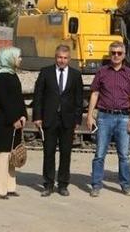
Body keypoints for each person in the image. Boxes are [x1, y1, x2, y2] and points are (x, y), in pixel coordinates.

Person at [86, 41, 130, 197]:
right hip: (104, 117)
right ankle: (96, 185)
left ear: (124, 55)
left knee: (124, 155)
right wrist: (90, 115)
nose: (116, 55)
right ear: (110, 54)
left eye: (119, 53)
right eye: (113, 53)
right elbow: (95, 93)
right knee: (100, 154)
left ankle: (125, 185)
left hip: (123, 117)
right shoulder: (102, 72)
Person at [33, 44, 84, 197]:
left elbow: (79, 99)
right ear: (55, 57)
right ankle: (48, 184)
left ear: (69, 59)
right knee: (48, 152)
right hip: (49, 119)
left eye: (65, 58)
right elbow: (38, 96)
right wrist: (37, 117)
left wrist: (77, 119)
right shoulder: (45, 73)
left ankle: (63, 184)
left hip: (67, 121)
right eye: (59, 57)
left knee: (65, 153)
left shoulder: (75, 75)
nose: (62, 60)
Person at [0, 47, 27, 199]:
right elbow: (4, 101)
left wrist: (23, 115)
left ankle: (10, 186)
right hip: (5, 121)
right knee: (4, 155)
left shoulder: (13, 75)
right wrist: (14, 119)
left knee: (13, 155)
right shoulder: (2, 76)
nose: (20, 59)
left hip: (16, 121)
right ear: (9, 58)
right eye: (18, 57)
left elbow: (18, 98)